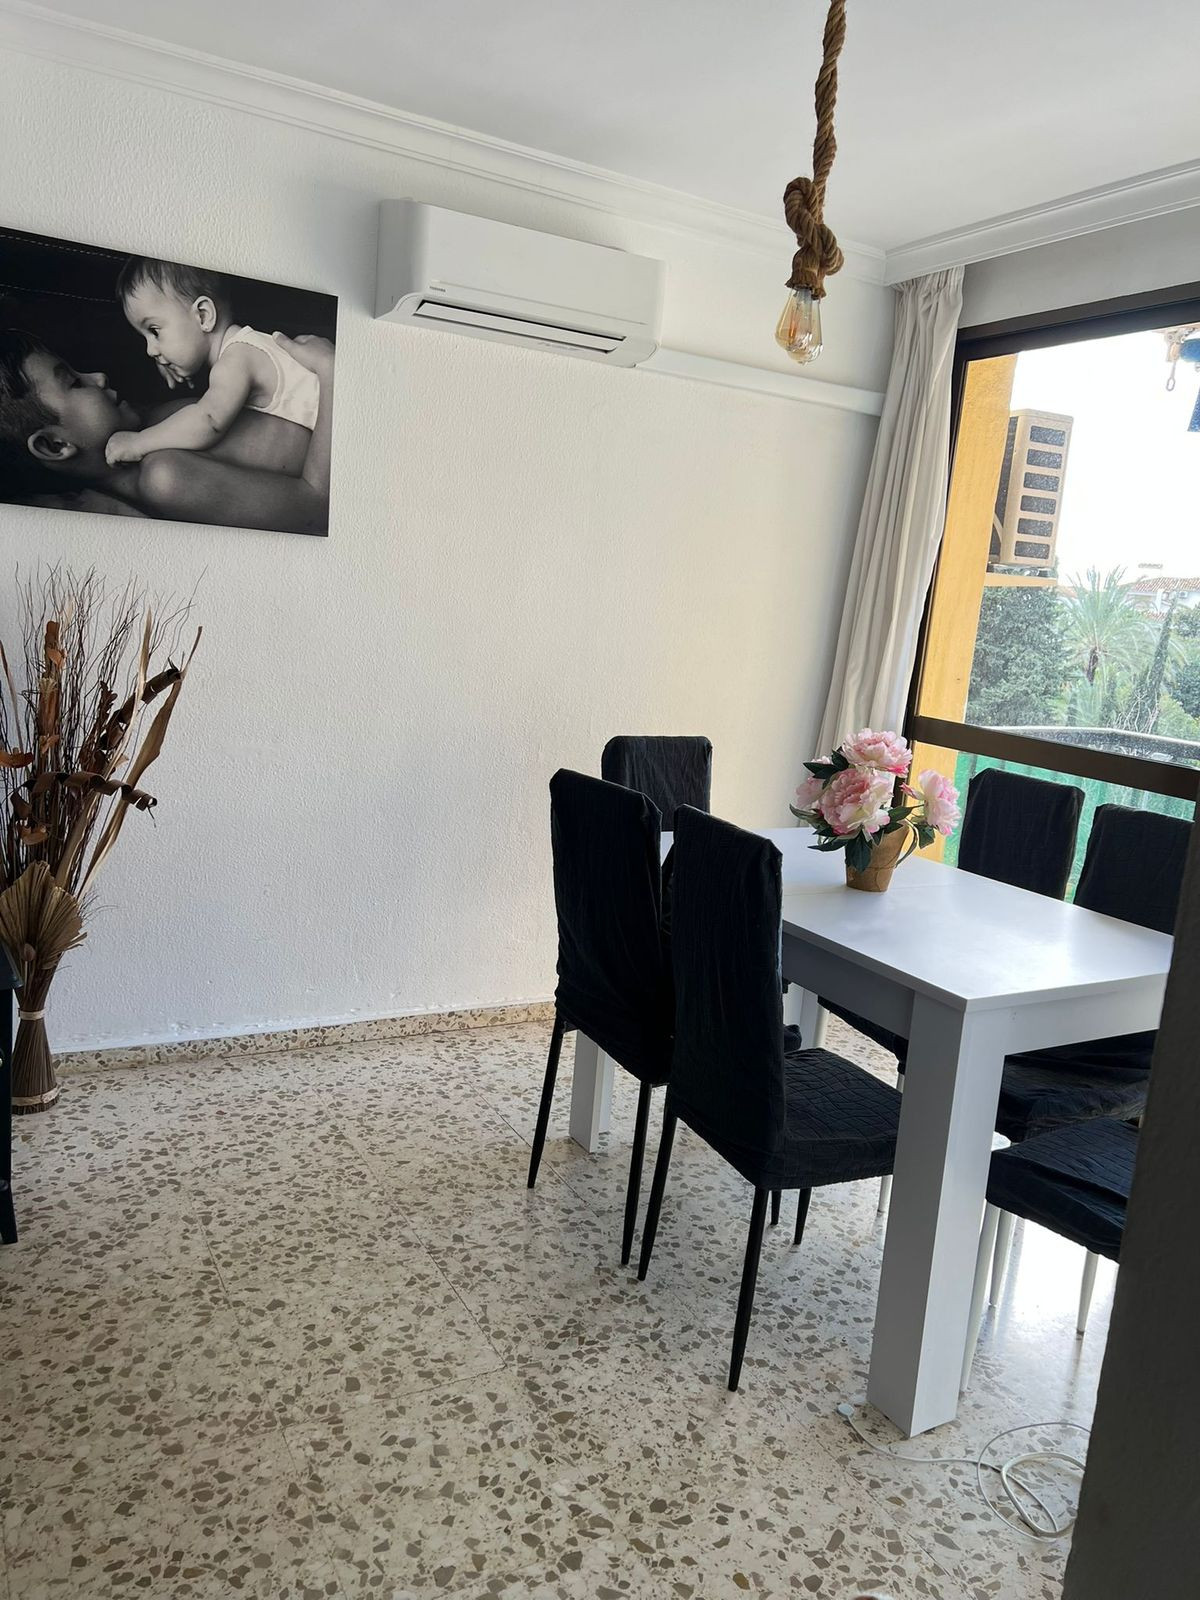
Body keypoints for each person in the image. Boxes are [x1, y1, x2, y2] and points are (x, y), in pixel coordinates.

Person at [0, 328, 333, 535]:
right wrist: (332, 374)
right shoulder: (165, 478)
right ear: (55, 445)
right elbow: (319, 509)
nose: (98, 376)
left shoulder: (145, 426)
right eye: (74, 382)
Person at [104, 257, 320, 474]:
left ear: (203, 316)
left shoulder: (236, 359)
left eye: (154, 331)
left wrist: (139, 443)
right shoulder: (243, 347)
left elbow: (208, 422)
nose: (150, 350)